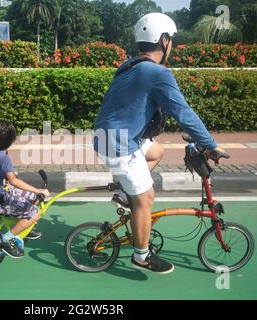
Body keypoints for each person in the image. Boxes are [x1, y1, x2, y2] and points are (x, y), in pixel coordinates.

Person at [93, 13, 226, 274]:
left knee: (156, 151)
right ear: (164, 40)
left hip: (107, 137)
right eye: (172, 40)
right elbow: (183, 112)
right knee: (146, 199)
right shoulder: (156, 73)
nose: (172, 46)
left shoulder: (129, 66)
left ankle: (124, 194)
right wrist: (210, 144)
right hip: (119, 143)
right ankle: (141, 256)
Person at [0, 121, 50, 258]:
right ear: (12, 140)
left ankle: (23, 225)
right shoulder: (3, 157)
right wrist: (38, 190)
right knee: (36, 213)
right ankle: (5, 239)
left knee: (32, 198)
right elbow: (14, 181)